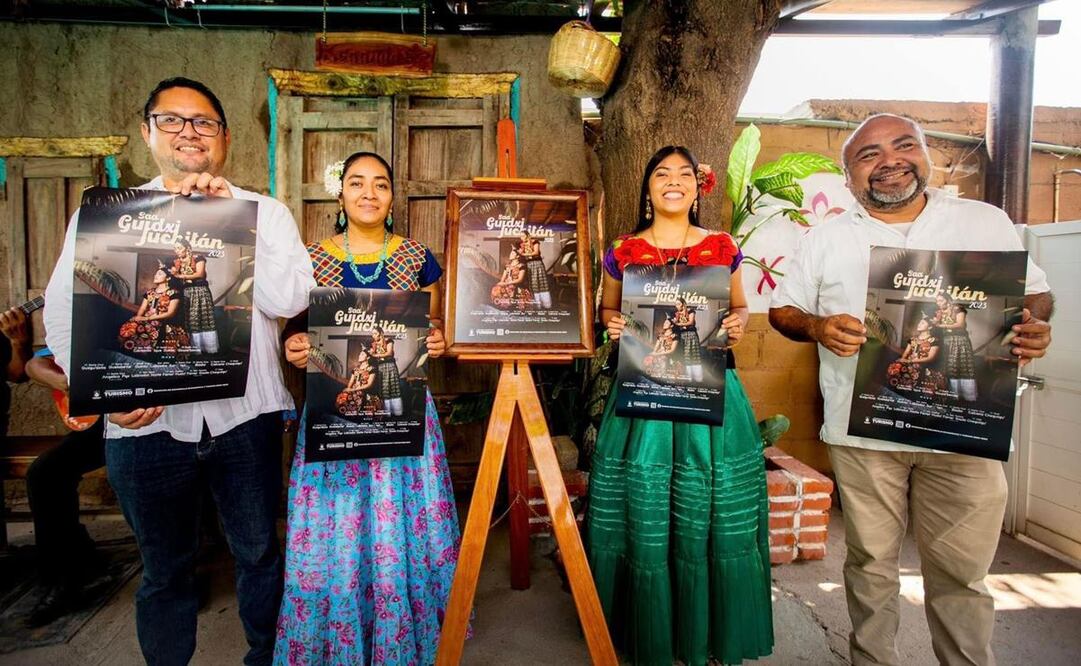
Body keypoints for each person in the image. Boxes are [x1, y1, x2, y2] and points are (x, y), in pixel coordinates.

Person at [43, 77, 316, 666]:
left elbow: (290, 298)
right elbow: (65, 316)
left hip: (246, 420)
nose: (189, 132)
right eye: (172, 120)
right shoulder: (107, 216)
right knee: (164, 571)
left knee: (259, 554)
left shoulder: (264, 213)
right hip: (141, 427)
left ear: (225, 138)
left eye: (204, 122)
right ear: (148, 132)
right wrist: (107, 391)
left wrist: (230, 223)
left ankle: (265, 658)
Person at [768, 113, 1054, 666]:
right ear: (848, 176)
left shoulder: (983, 222)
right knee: (870, 564)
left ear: (927, 155)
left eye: (904, 146)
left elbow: (1035, 295)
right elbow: (784, 310)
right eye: (868, 155)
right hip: (866, 429)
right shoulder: (826, 238)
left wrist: (1033, 326)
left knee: (963, 574)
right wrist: (818, 327)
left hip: (963, 433)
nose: (888, 161)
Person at [585, 145, 773, 666]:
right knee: (644, 504)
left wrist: (738, 323)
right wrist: (614, 324)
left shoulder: (721, 246)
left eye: (684, 174)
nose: (673, 181)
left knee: (705, 506)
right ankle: (647, 628)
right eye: (662, 174)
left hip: (709, 389)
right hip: (644, 388)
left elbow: (738, 307)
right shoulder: (624, 250)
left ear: (698, 187)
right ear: (647, 190)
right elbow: (607, 306)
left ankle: (704, 631)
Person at [277, 151, 459, 665]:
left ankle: (403, 635)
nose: (368, 193)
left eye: (380, 184)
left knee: (402, 520)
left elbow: (432, 328)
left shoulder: (417, 258)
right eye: (357, 183)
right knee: (339, 521)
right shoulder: (310, 259)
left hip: (401, 411)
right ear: (340, 195)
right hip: (336, 411)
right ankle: (340, 635)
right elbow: (295, 332)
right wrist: (295, 347)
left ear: (392, 197)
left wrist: (439, 340)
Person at [22, 350, 108, 627]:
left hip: (155, 418)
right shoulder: (70, 316)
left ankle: (184, 572)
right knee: (43, 474)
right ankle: (63, 579)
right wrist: (66, 382)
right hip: (102, 426)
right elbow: (34, 364)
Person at [118, 264, 191, 353]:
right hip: (148, 319)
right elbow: (143, 308)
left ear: (168, 278)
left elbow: (170, 313)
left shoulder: (174, 293)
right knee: (130, 326)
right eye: (156, 274)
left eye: (159, 274)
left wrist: (147, 318)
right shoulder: (150, 292)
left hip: (165, 321)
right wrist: (138, 318)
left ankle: (149, 352)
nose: (155, 276)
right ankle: (135, 351)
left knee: (156, 333)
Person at [173, 238, 219, 353]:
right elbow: (174, 277)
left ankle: (209, 348)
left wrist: (179, 276)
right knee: (190, 319)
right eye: (175, 248)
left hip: (200, 292)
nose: (177, 251)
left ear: (187, 248)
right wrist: (173, 274)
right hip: (186, 293)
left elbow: (200, 274)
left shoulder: (198, 258)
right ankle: (194, 349)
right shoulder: (177, 262)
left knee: (203, 318)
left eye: (179, 248)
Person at [931, 292, 978, 401]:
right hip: (946, 341)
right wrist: (935, 321)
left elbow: (960, 324)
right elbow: (935, 325)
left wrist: (940, 325)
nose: (938, 303)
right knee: (949, 366)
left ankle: (968, 396)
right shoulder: (939, 312)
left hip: (960, 340)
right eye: (937, 301)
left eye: (941, 300)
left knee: (963, 366)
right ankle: (952, 395)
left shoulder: (958, 308)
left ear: (947, 300)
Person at [888, 314, 946, 394]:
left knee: (915, 370)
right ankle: (897, 393)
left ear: (930, 327)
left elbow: (931, 358)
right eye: (919, 322)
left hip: (924, 365)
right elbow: (906, 353)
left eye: (922, 323)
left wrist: (911, 361)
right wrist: (902, 360)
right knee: (895, 365)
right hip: (910, 363)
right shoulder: (913, 339)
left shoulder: (934, 340)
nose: (919, 324)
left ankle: (910, 392)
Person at [369, 326, 403, 416]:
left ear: (380, 333)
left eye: (375, 333)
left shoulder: (388, 340)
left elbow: (389, 353)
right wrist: (370, 353)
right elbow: (371, 354)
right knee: (384, 388)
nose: (373, 335)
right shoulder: (374, 344)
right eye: (372, 334)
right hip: (380, 367)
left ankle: (397, 412)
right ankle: (387, 413)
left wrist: (375, 355)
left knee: (393, 387)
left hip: (390, 366)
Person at [336, 350, 380, 416]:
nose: (359, 356)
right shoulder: (355, 369)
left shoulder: (372, 369)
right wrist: (348, 389)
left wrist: (353, 390)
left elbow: (369, 384)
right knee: (342, 398)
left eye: (362, 354)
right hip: (355, 391)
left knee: (369, 411)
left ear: (368, 357)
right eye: (359, 354)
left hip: (367, 392)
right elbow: (351, 381)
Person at [518, 229, 552, 309]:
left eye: (523, 235)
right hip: (529, 265)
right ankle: (537, 305)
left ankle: (546, 304)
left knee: (541, 282)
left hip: (537, 264)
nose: (521, 237)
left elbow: (536, 252)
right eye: (520, 236)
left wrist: (524, 254)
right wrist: (520, 253)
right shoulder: (522, 245)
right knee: (533, 284)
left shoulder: (535, 241)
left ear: (527, 235)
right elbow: (520, 254)